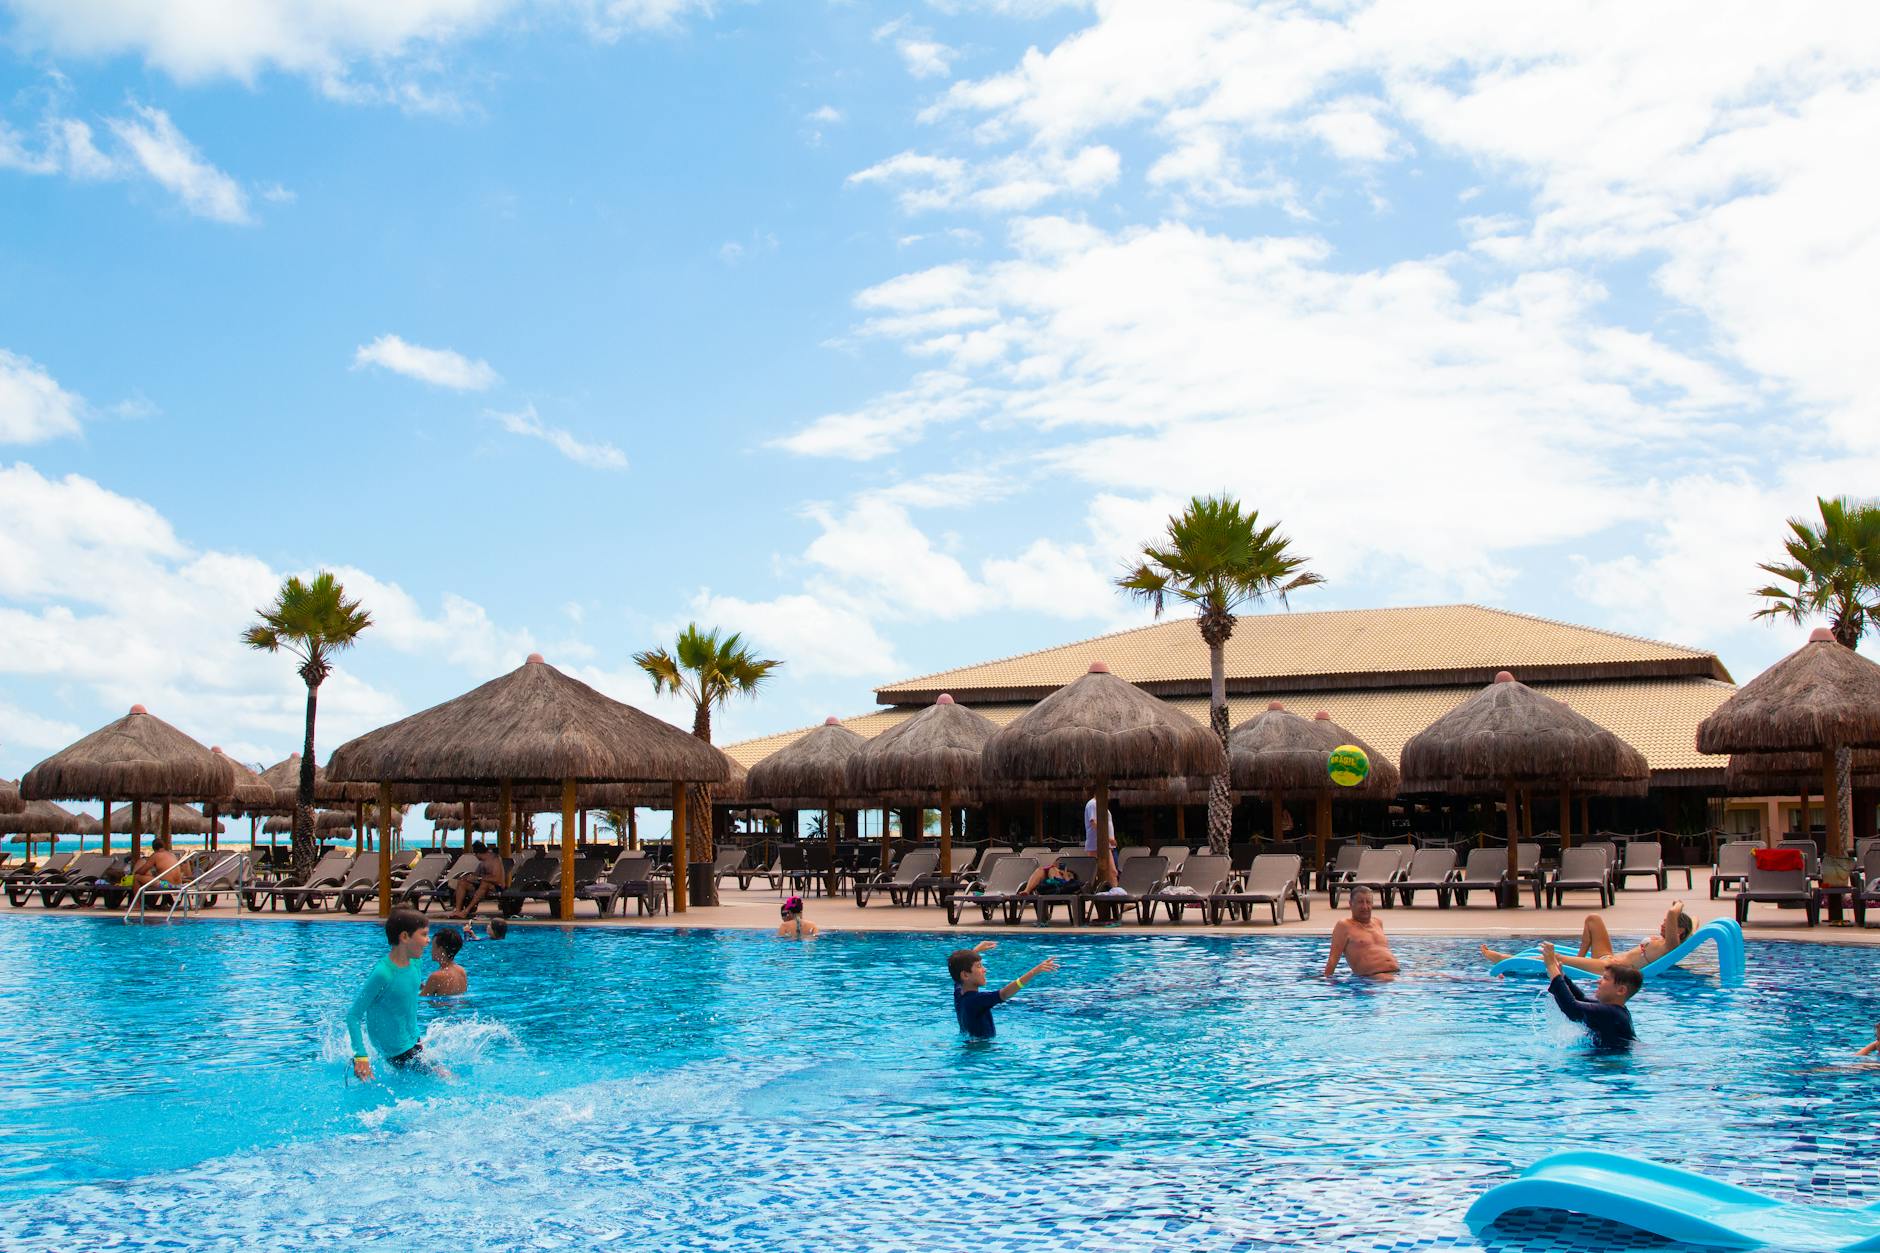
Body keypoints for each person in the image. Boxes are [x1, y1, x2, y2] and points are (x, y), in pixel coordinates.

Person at [1480, 901, 1691, 974]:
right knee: (1593, 918)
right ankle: (1581, 960)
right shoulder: (1665, 941)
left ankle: (1504, 959)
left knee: (1556, 957)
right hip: (1607, 958)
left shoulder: (1670, 945)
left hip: (1612, 968)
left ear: (1679, 931)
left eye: (1667, 923)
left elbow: (1674, 914)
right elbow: (1693, 920)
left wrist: (1679, 904)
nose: (1664, 923)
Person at [346, 908, 436, 1079]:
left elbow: (406, 989)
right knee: (442, 1079)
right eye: (423, 934)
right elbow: (353, 1016)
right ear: (404, 937)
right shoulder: (383, 974)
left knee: (443, 1074)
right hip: (395, 1050)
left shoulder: (416, 962)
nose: (428, 940)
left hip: (413, 1038)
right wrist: (361, 1056)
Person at [948, 940, 1059, 1039]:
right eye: (979, 966)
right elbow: (1004, 993)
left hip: (970, 1047)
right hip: (982, 1052)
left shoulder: (959, 993)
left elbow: (960, 971)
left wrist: (975, 952)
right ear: (965, 975)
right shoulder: (976, 1001)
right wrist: (1034, 972)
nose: (984, 969)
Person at [1540, 940, 1638, 1049]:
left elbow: (1572, 1008)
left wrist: (1551, 966)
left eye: (1605, 978)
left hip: (1612, 1064)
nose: (1598, 981)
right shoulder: (1615, 1010)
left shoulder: (1612, 1013)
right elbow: (1580, 999)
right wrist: (1562, 976)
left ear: (1621, 990)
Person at [1322, 886, 1400, 978]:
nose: (1365, 906)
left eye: (1368, 902)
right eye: (1360, 902)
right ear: (1351, 904)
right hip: (1373, 977)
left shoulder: (1377, 922)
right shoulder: (1344, 926)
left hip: (1396, 972)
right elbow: (1332, 959)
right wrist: (1326, 980)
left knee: (1419, 977)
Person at [450, 843, 508, 919]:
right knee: (462, 882)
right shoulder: (482, 862)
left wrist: (479, 879)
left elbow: (497, 879)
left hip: (497, 887)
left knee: (485, 884)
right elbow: (476, 876)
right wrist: (470, 878)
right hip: (481, 885)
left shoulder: (495, 859)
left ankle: (466, 911)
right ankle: (457, 910)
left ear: (478, 853)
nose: (475, 856)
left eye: (475, 854)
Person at [421, 925, 467, 996]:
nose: (431, 951)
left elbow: (420, 999)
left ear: (440, 950)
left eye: (433, 947)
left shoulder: (435, 977)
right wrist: (426, 987)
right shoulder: (461, 971)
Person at [1083, 797, 1120, 885]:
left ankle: (1111, 894)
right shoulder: (1093, 804)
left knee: (1106, 873)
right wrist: (1108, 838)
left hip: (1103, 844)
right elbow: (1094, 823)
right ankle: (1117, 895)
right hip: (1099, 844)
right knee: (1111, 872)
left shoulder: (1098, 804)